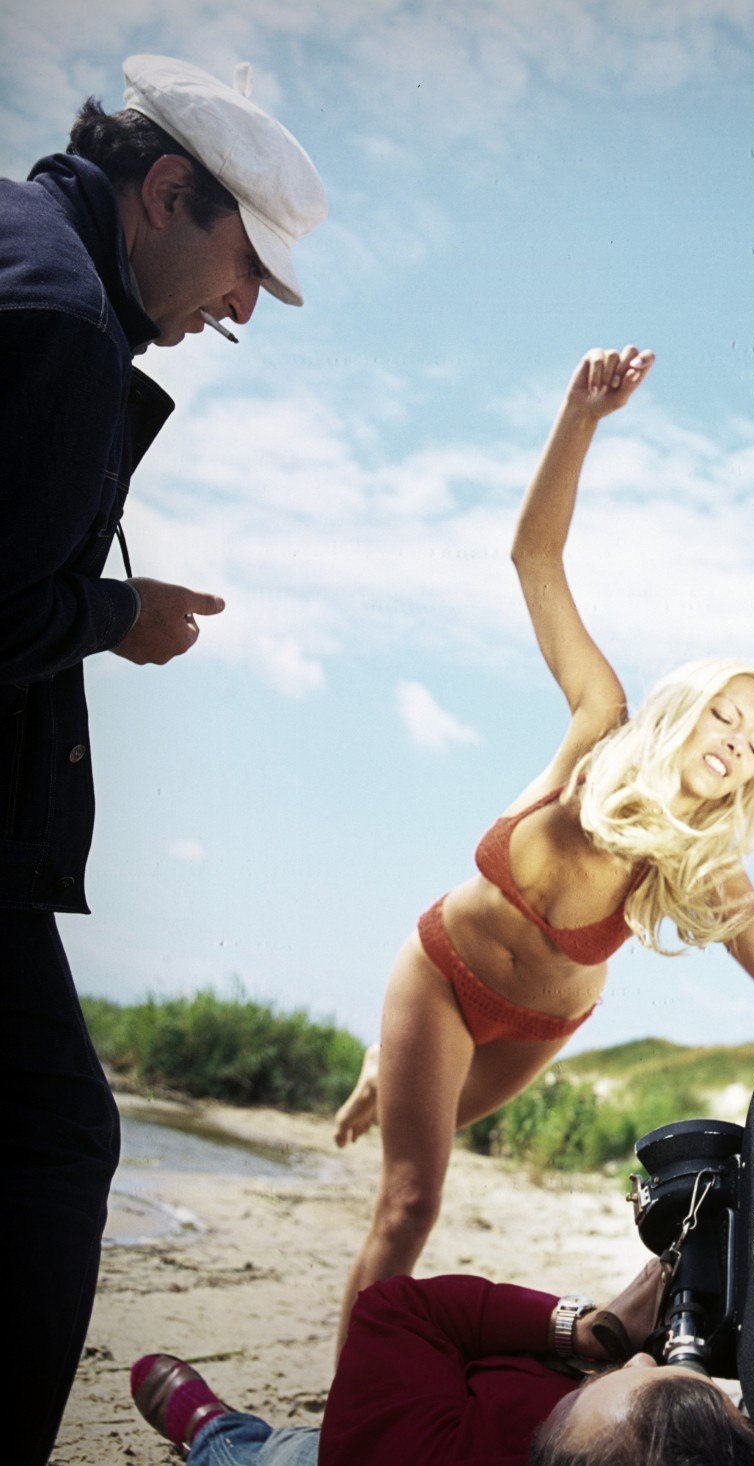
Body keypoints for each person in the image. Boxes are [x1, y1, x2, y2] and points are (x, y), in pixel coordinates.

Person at [330, 344, 754, 1350]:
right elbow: (534, 559)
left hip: (534, 1022)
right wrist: (580, 419)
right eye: (729, 714)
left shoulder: (702, 865)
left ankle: (391, 1076)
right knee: (410, 1199)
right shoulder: (599, 724)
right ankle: (348, 1410)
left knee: (424, 1133)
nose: (737, 741)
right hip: (442, 969)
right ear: (690, 705)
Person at [0, 54, 325, 1463]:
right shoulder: (63, 321)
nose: (241, 306)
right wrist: (117, 615)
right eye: (244, 265)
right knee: (55, 1139)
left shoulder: (20, 245)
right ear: (167, 191)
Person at [129, 1115, 754, 1465]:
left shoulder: (421, 1452)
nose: (643, 1356)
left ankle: (210, 1430)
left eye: (611, 1381)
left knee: (264, 1453)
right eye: (715, 1403)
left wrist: (581, 1331)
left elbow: (397, 1310)